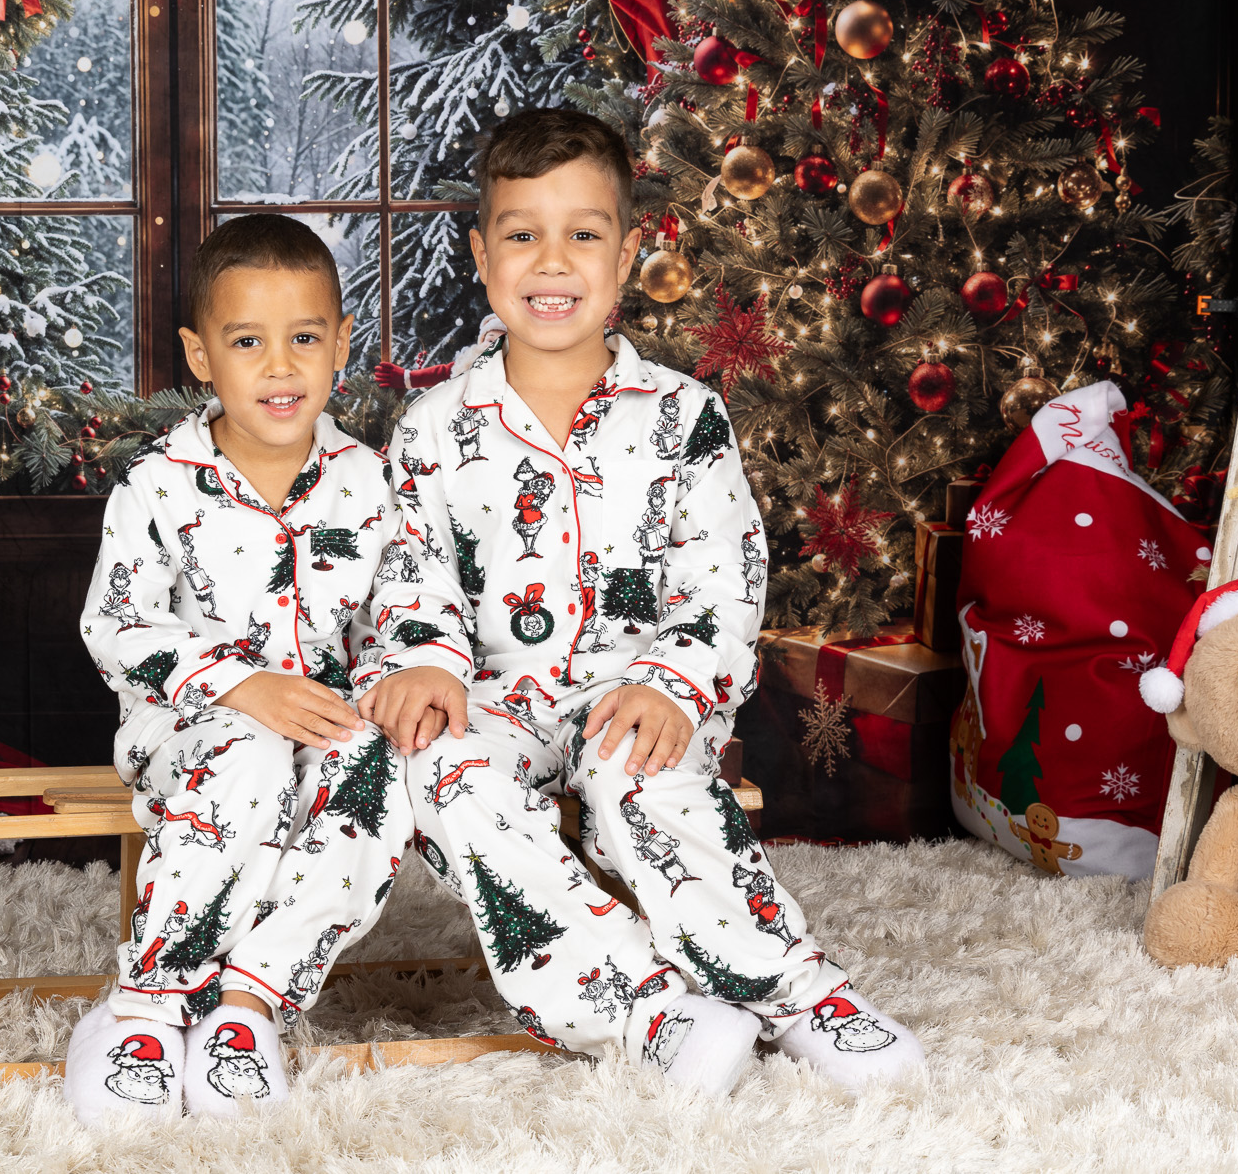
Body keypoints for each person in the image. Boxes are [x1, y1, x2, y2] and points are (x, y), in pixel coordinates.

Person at [360, 108, 924, 1095]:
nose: (551, 261)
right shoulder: (433, 426)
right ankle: (643, 1007)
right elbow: (409, 568)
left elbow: (723, 573)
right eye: (521, 234)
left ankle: (797, 992)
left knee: (644, 779)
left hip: (636, 687)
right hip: (491, 694)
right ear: (481, 257)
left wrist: (672, 680)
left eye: (582, 234)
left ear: (625, 256)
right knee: (439, 767)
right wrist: (422, 660)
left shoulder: (683, 416)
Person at [68, 214, 415, 1122]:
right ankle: (147, 1006)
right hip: (188, 728)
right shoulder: (157, 481)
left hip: (329, 721)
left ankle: (247, 1006)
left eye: (305, 338)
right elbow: (116, 624)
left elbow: (405, 609)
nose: (280, 366)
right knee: (248, 753)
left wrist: (394, 680)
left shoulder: (370, 481)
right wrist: (238, 684)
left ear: (341, 344)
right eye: (248, 341)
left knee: (375, 765)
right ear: (201, 354)